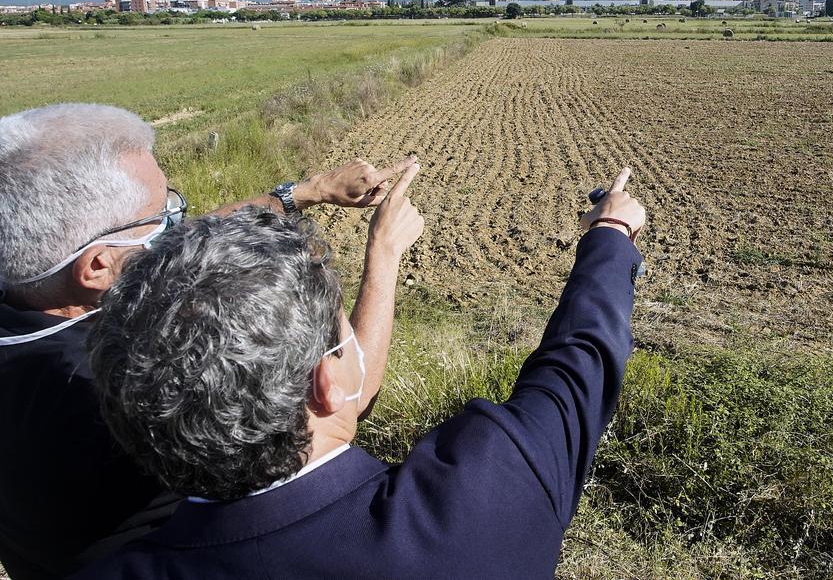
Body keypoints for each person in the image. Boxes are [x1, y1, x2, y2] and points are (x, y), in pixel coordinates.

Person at [79, 165, 646, 578]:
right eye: (342, 333)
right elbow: (579, 366)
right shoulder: (478, 507)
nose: (353, 337)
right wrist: (610, 235)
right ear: (326, 385)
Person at [0, 103, 415, 579]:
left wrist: (305, 192)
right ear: (95, 267)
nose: (180, 224)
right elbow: (336, 403)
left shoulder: (23, 289)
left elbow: (180, 247)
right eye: (163, 218)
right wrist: (384, 253)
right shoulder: (113, 376)